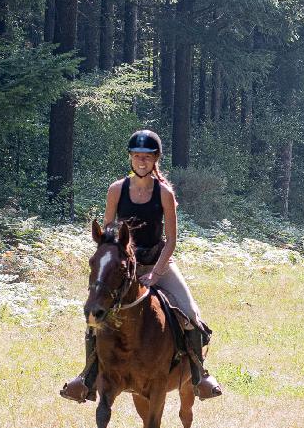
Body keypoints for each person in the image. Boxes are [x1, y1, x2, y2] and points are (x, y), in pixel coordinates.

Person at [60, 129, 222, 403]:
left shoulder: (164, 194)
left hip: (158, 262)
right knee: (94, 317)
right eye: (137, 157)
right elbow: (109, 235)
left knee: (191, 314)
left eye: (147, 157)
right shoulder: (116, 190)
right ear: (131, 159)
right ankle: (87, 378)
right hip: (126, 268)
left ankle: (199, 376)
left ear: (155, 159)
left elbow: (171, 240)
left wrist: (156, 273)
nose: (141, 162)